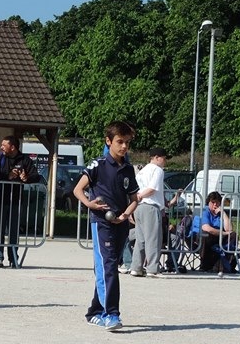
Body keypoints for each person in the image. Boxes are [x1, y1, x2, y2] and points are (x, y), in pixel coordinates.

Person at [73, 121, 140, 331]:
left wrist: (126, 214)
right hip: (102, 223)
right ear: (108, 141)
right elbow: (77, 189)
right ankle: (111, 313)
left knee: (107, 268)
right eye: (120, 142)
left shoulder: (128, 169)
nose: (124, 146)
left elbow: (134, 199)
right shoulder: (98, 165)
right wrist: (89, 203)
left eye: (127, 142)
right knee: (108, 267)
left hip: (120, 223)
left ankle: (95, 312)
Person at [0, 135, 40, 268]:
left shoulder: (25, 160)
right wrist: (8, 176)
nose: (1, 147)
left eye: (4, 145)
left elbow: (36, 176)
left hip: (16, 201)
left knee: (14, 231)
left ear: (12, 147)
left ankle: (13, 258)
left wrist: (26, 178)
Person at [129, 147, 170, 277]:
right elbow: (152, 189)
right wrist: (141, 196)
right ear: (157, 158)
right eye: (164, 158)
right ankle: (152, 269)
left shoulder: (142, 171)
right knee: (153, 239)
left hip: (139, 207)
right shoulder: (158, 170)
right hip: (151, 206)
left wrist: (136, 199)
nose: (165, 161)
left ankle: (136, 267)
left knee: (140, 239)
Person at [199, 191, 239, 273]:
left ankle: (228, 262)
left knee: (233, 235)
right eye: (213, 202)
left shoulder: (220, 213)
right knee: (205, 234)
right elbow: (206, 228)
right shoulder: (205, 212)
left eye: (217, 202)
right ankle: (204, 265)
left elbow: (229, 230)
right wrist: (223, 233)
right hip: (207, 237)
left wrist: (223, 214)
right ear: (208, 202)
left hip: (219, 237)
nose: (215, 205)